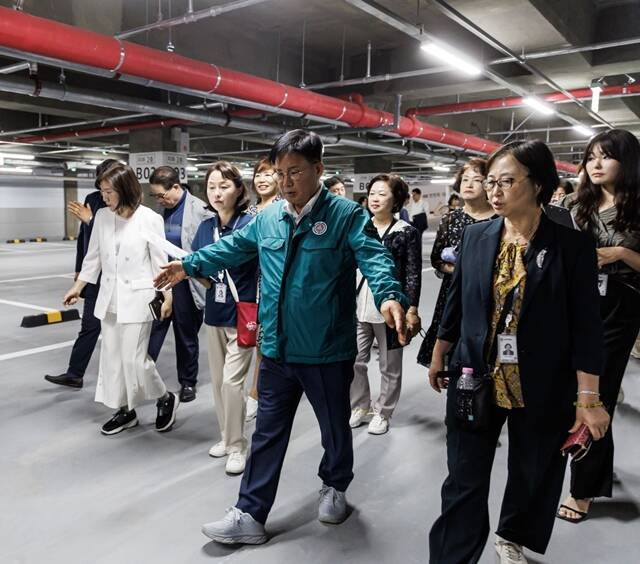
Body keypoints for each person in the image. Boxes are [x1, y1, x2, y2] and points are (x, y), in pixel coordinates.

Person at [154, 129, 408, 544]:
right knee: (267, 433)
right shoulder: (268, 217)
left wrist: (390, 297)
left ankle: (335, 486)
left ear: (318, 170)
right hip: (276, 348)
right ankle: (249, 513)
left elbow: (374, 258)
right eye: (279, 172)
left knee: (334, 429)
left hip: (325, 349)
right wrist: (188, 264)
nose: (286, 182)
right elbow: (233, 247)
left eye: (295, 172)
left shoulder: (346, 215)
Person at [428, 140, 610, 564]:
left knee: (534, 471)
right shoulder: (476, 236)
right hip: (474, 374)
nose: (494, 190)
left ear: (538, 183)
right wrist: (439, 353)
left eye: (506, 181)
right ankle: (452, 556)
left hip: (542, 379)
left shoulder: (571, 246)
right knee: (463, 478)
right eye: (490, 181)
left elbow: (587, 327)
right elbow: (457, 303)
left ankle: (512, 534)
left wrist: (589, 398)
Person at [556, 129, 640, 523]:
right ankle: (590, 463)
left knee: (594, 396)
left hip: (619, 310)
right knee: (566, 391)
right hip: (572, 306)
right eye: (591, 156)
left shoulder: (638, 207)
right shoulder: (573, 204)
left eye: (606, 156)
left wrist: (621, 252)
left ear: (627, 162)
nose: (596, 163)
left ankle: (584, 488)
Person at [62, 163, 179, 435]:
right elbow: (93, 259)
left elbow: (160, 263)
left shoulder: (149, 218)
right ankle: (125, 411)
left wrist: (168, 295)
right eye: (102, 192)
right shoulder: (102, 216)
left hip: (139, 299)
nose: (104, 197)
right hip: (110, 299)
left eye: (109, 192)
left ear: (124, 190)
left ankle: (164, 397)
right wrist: (78, 287)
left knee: (136, 360)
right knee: (113, 359)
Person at [191, 161, 258, 475]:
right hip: (214, 314)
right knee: (218, 383)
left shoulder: (249, 224)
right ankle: (225, 436)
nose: (217, 193)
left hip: (243, 314)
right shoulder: (206, 227)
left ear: (239, 189)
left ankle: (237, 445)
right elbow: (197, 267)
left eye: (224, 186)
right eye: (211, 187)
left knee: (233, 384)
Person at [350, 174, 422, 434]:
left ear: (396, 200)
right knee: (354, 359)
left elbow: (412, 273)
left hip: (392, 309)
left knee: (389, 365)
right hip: (358, 305)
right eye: (372, 193)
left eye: (382, 193)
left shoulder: (406, 232)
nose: (374, 198)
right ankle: (359, 405)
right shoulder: (358, 227)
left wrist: (411, 308)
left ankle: (383, 411)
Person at [44, 159, 118, 388]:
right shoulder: (93, 200)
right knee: (90, 326)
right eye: (100, 185)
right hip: (95, 275)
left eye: (107, 187)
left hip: (118, 276)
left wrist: (92, 220)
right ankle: (75, 373)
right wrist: (80, 269)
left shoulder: (128, 202)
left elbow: (119, 235)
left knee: (120, 331)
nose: (103, 193)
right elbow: (85, 239)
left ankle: (125, 379)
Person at [419, 158, 495, 367]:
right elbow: (436, 259)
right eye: (465, 180)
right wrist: (460, 270)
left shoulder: (499, 219)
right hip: (453, 292)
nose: (469, 185)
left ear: (489, 185)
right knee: (450, 349)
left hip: (487, 292)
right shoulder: (450, 218)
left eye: (477, 180)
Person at [147, 167, 212, 403]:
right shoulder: (161, 210)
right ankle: (143, 375)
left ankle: (187, 382)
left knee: (185, 333)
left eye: (161, 195)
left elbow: (207, 247)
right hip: (162, 278)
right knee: (155, 327)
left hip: (186, 280)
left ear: (176, 187)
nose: (159, 201)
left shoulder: (201, 210)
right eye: (155, 197)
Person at [245, 156, 282, 422]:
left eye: (269, 174)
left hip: (271, 285)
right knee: (250, 340)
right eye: (259, 174)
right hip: (248, 285)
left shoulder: (284, 209)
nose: (262, 179)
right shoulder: (248, 212)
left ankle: (258, 392)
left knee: (265, 343)